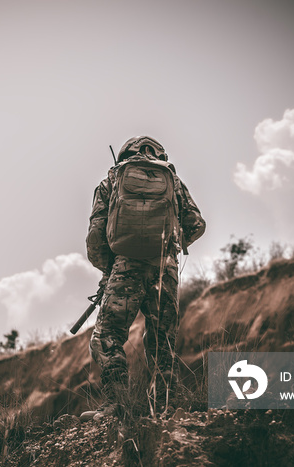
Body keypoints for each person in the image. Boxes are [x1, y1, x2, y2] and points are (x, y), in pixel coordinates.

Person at [81, 136, 206, 421]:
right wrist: (171, 246)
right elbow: (196, 224)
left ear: (124, 155)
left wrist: (109, 268)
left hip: (125, 266)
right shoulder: (172, 180)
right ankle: (165, 406)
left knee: (106, 335)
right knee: (162, 339)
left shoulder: (111, 180)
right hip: (166, 268)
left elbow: (95, 237)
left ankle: (116, 404)